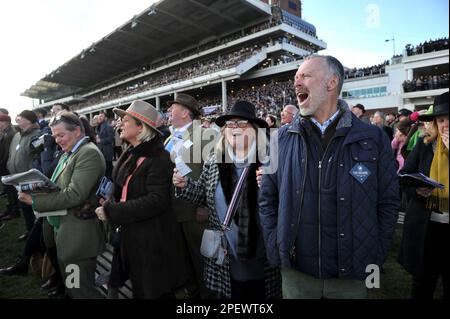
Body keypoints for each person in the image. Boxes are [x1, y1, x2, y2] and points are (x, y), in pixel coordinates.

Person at [259, 55, 399, 299]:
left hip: (351, 276)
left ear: (331, 82)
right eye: (295, 78)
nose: (296, 83)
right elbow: (267, 199)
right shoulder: (280, 139)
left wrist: (375, 252)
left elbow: (388, 202)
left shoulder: (373, 139)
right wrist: (275, 245)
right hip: (296, 274)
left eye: (305, 76)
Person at [173, 100, 282, 299]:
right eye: (230, 124)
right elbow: (202, 195)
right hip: (227, 255)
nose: (235, 129)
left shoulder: (271, 159)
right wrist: (185, 185)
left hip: (263, 256)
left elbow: (286, 202)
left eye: (241, 124)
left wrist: (270, 187)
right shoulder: (215, 160)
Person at [95, 100, 189, 298]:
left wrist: (112, 211)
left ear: (141, 127)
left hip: (152, 242)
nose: (119, 123)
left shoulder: (160, 158)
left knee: (151, 291)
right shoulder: (130, 153)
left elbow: (156, 201)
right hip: (132, 236)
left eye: (125, 120)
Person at [18, 111, 106, 299]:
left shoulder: (88, 153)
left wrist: (35, 201)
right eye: (55, 135)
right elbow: (58, 186)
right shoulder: (72, 152)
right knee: (74, 287)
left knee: (81, 290)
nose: (57, 140)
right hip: (68, 233)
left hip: (79, 238)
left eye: (61, 135)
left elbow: (74, 194)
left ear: (77, 131)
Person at [165, 93, 217, 298]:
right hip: (173, 211)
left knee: (202, 264)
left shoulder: (206, 136)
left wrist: (206, 206)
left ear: (186, 112)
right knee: (184, 263)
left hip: (195, 213)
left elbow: (216, 174)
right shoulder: (171, 136)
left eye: (173, 108)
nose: (169, 111)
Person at [398, 91, 449, 300]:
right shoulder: (424, 144)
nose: (446, 124)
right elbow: (404, 176)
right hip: (426, 226)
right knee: (422, 281)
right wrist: (417, 189)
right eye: (441, 119)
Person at [95, 111, 115, 179]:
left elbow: (111, 138)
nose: (99, 117)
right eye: (99, 116)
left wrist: (101, 140)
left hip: (107, 152)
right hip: (100, 151)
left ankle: (111, 185)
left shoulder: (109, 126)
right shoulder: (98, 126)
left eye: (101, 116)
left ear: (105, 118)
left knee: (109, 170)